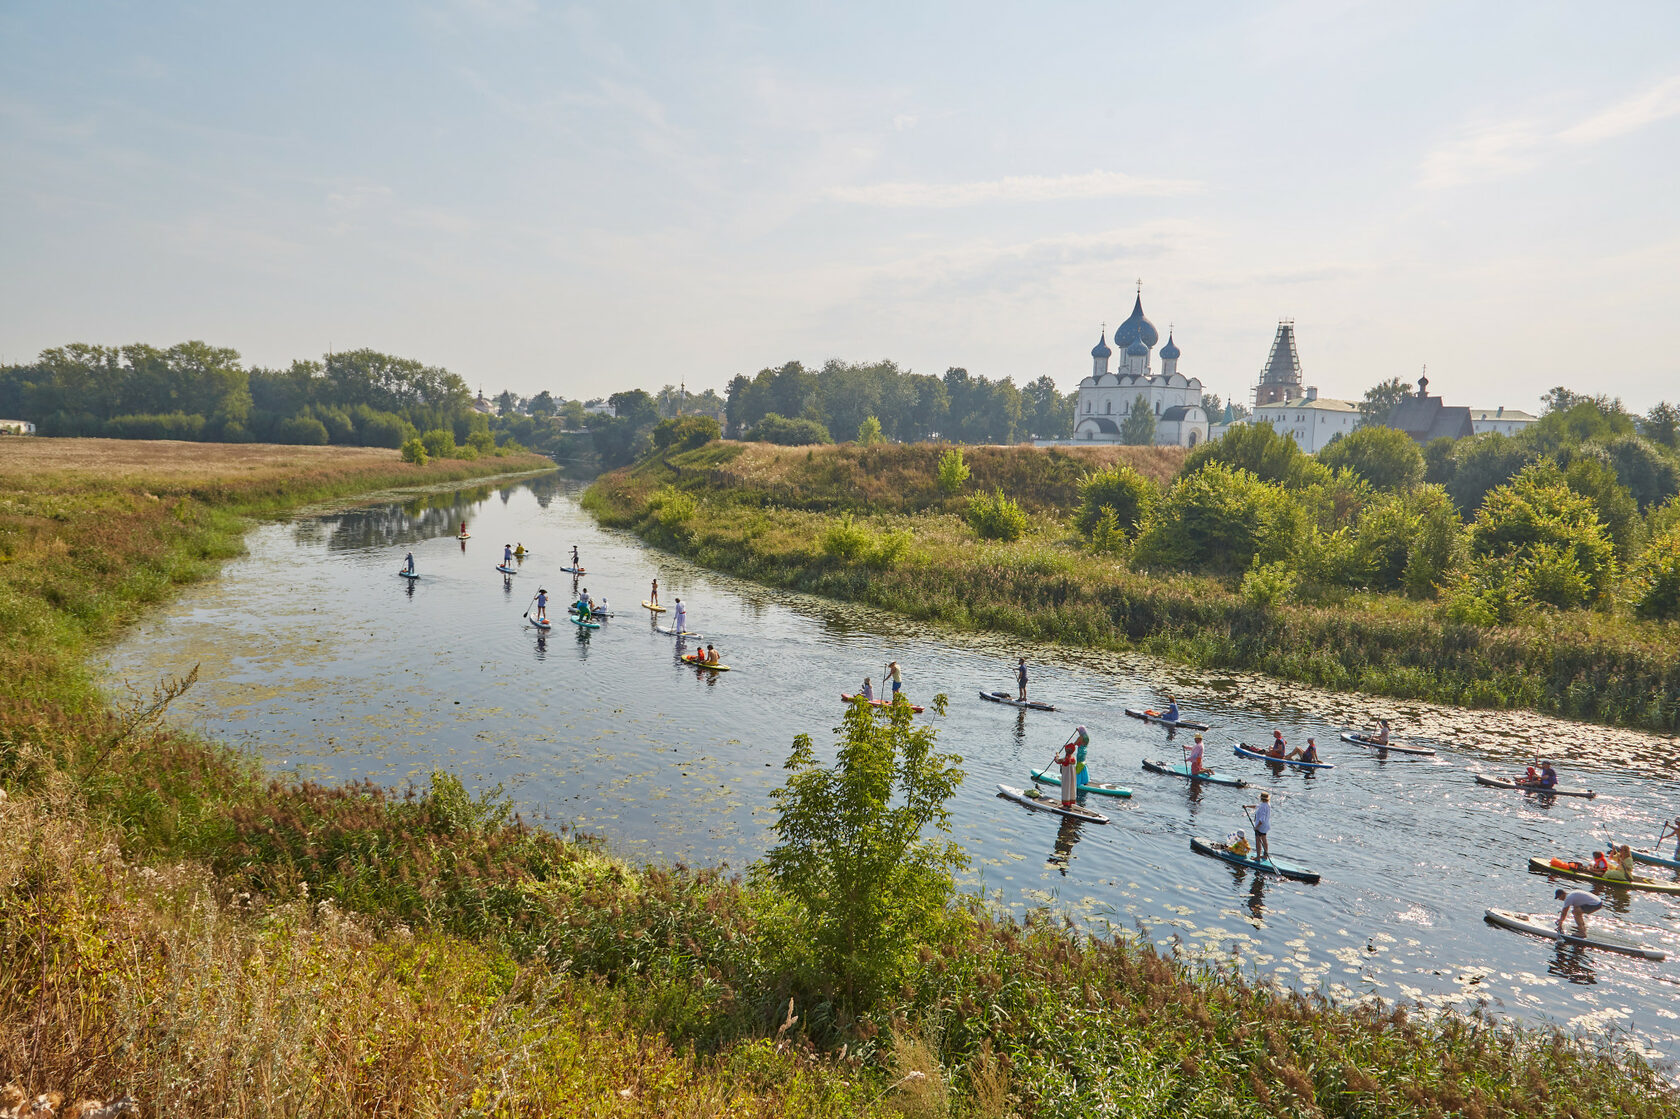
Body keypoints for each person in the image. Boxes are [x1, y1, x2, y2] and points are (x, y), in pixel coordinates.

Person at [1053, 727, 1088, 809]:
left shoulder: (1065, 759)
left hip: (1066, 778)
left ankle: (1065, 805)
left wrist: (1057, 755)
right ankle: (1070, 803)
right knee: (1071, 789)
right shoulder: (1073, 758)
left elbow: (1057, 761)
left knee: (1066, 789)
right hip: (1072, 778)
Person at [1248, 792, 1272, 860]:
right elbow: (1256, 806)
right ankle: (1265, 855)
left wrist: (1257, 827)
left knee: (1258, 841)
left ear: (1261, 798)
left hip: (1261, 827)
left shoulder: (1262, 806)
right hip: (1265, 826)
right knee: (1264, 840)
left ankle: (1258, 857)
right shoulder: (1267, 804)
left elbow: (1262, 819)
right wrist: (1247, 806)